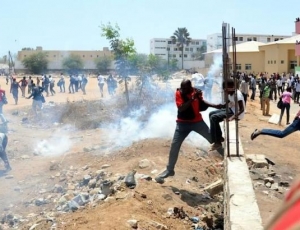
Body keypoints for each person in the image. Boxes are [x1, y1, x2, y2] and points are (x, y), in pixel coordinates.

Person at [155, 79, 221, 182]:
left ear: (190, 87)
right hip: (182, 124)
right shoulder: (178, 93)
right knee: (175, 145)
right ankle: (170, 170)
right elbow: (181, 108)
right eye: (182, 88)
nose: (183, 90)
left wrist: (215, 105)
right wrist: (192, 99)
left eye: (186, 88)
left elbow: (202, 103)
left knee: (213, 139)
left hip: (197, 122)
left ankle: (226, 155)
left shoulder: (195, 91)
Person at [209, 79, 245, 151]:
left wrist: (232, 117)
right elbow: (229, 101)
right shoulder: (230, 93)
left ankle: (217, 142)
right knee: (211, 113)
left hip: (235, 113)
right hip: (231, 109)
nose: (225, 91)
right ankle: (219, 137)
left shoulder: (237, 95)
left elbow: (242, 109)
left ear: (232, 87)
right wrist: (222, 105)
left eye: (226, 89)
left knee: (214, 118)